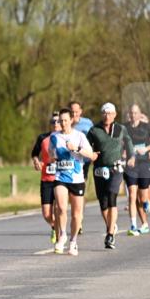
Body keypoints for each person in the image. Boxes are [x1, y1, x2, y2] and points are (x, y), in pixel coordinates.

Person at [86, 103, 134, 249]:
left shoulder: (121, 129)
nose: (107, 116)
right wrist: (89, 157)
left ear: (115, 114)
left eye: (109, 113)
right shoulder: (94, 130)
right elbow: (87, 147)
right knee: (103, 202)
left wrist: (131, 156)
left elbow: (129, 142)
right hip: (99, 169)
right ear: (101, 115)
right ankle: (111, 226)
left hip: (116, 168)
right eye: (104, 113)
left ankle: (110, 235)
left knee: (112, 196)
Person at [50, 108, 94, 256]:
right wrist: (51, 159)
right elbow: (51, 154)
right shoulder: (54, 137)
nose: (63, 123)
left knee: (77, 215)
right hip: (60, 177)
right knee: (61, 208)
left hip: (76, 179)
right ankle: (62, 234)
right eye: (60, 121)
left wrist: (76, 148)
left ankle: (73, 241)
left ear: (71, 121)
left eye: (65, 120)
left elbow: (92, 156)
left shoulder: (79, 136)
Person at [124, 104, 150, 234]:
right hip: (131, 165)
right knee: (133, 196)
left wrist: (147, 150)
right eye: (131, 113)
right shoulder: (124, 128)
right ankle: (136, 225)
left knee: (144, 198)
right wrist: (124, 153)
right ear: (129, 114)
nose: (133, 115)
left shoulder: (147, 127)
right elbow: (120, 144)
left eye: (136, 113)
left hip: (146, 165)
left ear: (139, 114)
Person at [31, 112, 63, 244]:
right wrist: (37, 162)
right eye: (53, 122)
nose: (55, 124)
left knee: (58, 209)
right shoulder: (43, 138)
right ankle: (55, 226)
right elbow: (34, 154)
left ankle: (61, 234)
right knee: (46, 213)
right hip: (46, 179)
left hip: (61, 179)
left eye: (57, 121)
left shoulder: (65, 137)